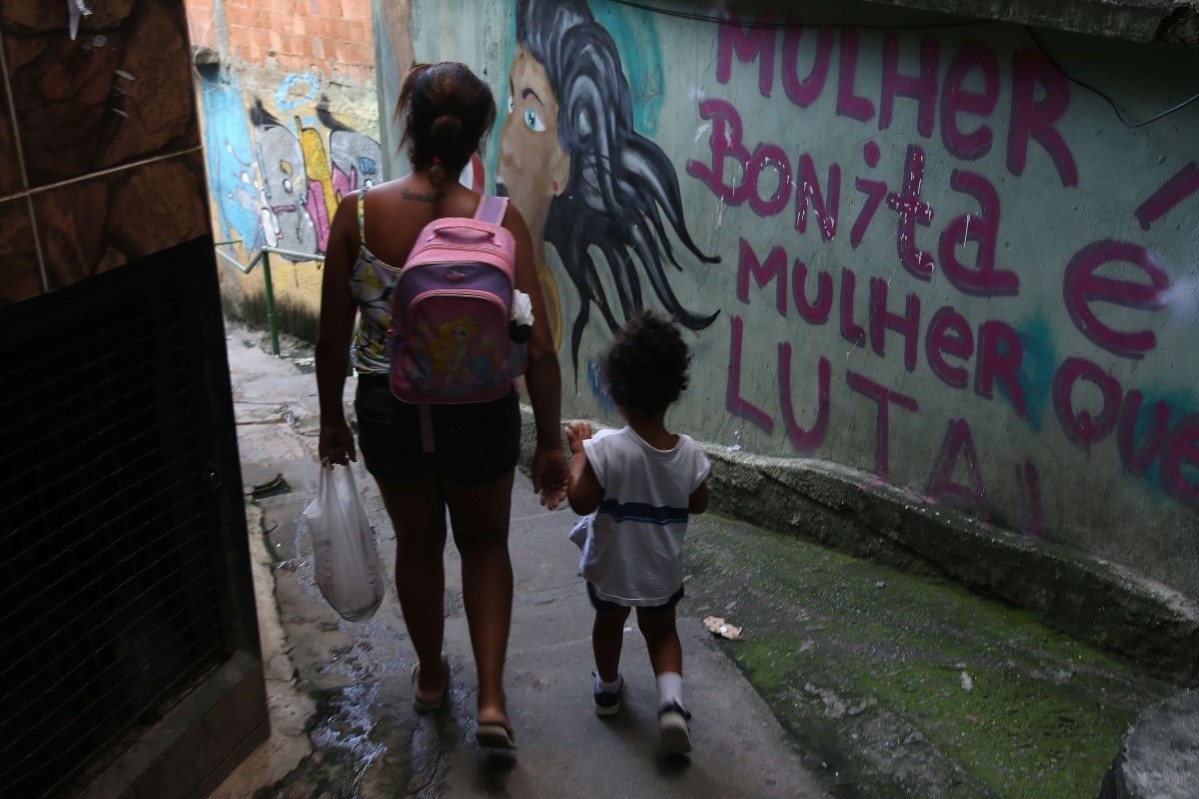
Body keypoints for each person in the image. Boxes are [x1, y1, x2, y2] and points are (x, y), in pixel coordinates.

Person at [315, 61, 569, 751]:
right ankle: (490, 698)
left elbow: (332, 336)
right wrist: (550, 441)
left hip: (388, 406)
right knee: (485, 545)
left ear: (408, 124)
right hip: (481, 409)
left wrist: (331, 420)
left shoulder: (357, 214)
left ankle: (431, 675)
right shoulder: (499, 220)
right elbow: (538, 349)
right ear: (477, 138)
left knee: (418, 545)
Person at [498, 0, 720, 377]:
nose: (506, 143)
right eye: (510, 104)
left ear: (560, 169)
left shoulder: (544, 304)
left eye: (532, 117)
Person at [564, 310, 712, 755]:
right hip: (660, 572)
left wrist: (578, 453)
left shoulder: (604, 449)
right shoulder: (688, 454)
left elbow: (580, 500)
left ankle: (608, 690)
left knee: (608, 626)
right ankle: (670, 704)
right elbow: (699, 502)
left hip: (612, 570)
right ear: (673, 392)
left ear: (615, 391)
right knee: (662, 632)